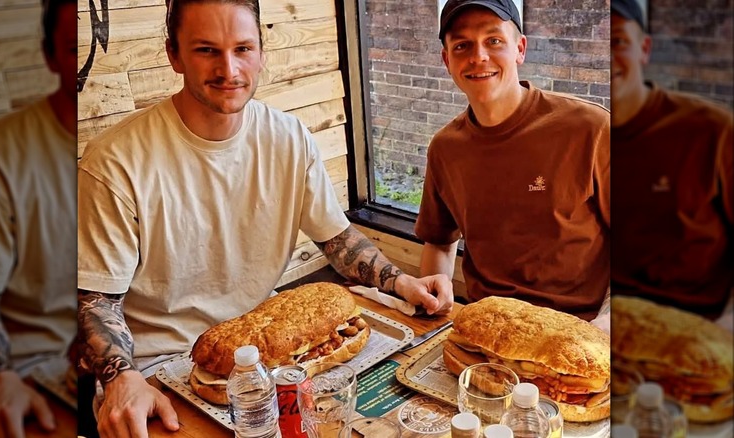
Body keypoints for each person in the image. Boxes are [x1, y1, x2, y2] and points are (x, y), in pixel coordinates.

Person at [76, 0, 455, 436]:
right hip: (154, 374)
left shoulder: (289, 138)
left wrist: (401, 282)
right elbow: (94, 300)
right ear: (173, 55)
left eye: (242, 48)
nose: (229, 69)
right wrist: (121, 379)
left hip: (267, 355)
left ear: (261, 52)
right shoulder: (115, 161)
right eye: (206, 50)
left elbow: (337, 240)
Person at [415, 0, 611, 330]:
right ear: (447, 60)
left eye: (494, 41)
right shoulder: (445, 147)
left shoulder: (590, 128)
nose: (478, 56)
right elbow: (438, 241)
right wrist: (435, 285)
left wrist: (606, 323)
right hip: (484, 329)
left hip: (577, 330)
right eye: (462, 45)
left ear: (520, 48)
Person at [0, 0, 78, 436]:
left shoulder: (129, 148)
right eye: (70, 47)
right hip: (33, 376)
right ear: (49, 55)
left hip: (136, 358)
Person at [610, 0, 733, 332]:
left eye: (618, 41)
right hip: (611, 325)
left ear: (644, 49)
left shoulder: (711, 130)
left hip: (698, 327)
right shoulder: (587, 135)